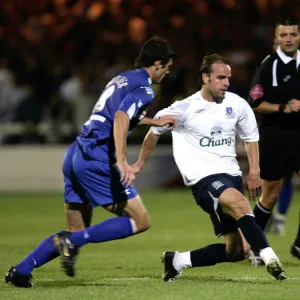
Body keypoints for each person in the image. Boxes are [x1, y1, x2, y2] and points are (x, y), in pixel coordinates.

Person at [5, 36, 176, 288]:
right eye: (168, 66)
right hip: (98, 158)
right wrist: (121, 161)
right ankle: (73, 242)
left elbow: (115, 114)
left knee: (74, 231)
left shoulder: (122, 78)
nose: (169, 71)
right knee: (141, 220)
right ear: (159, 63)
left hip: (76, 153)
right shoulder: (145, 88)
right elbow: (119, 117)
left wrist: (153, 122)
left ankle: (20, 271)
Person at [131, 53, 286, 282]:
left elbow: (251, 138)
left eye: (228, 78)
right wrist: (139, 163)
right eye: (221, 77)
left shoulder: (237, 104)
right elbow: (154, 131)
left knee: (236, 251)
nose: (226, 83)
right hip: (203, 179)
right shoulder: (185, 108)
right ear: (205, 77)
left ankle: (177, 260)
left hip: (230, 176)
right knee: (240, 203)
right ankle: (269, 256)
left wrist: (254, 172)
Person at [247, 16, 300, 265]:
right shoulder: (269, 65)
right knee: (271, 194)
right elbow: (255, 102)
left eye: (293, 34)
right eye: (284, 35)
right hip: (275, 136)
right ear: (276, 38)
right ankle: (255, 248)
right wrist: (284, 108)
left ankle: (299, 244)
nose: (288, 39)